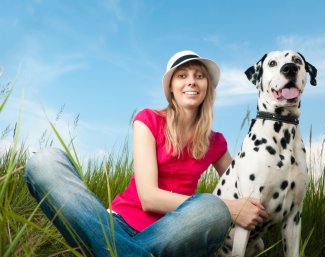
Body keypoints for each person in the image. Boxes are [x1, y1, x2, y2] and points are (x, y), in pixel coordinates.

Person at [24, 50, 268, 257]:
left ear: (208, 87)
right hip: (112, 225)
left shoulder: (215, 142)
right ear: (171, 88)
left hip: (173, 234)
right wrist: (229, 207)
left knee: (212, 211)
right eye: (182, 76)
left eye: (199, 76)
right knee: (45, 161)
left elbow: (245, 183)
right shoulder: (148, 120)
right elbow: (149, 197)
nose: (191, 81)